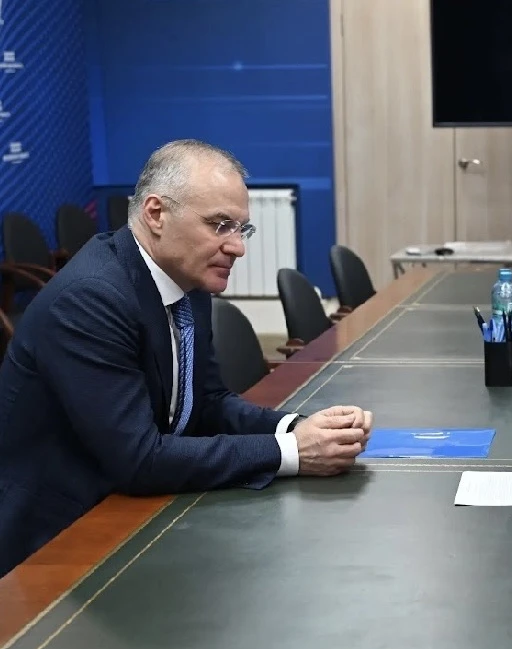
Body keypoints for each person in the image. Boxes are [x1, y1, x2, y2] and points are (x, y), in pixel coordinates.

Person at [0, 139, 371, 578]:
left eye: (242, 229)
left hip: (133, 511)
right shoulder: (90, 299)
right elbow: (139, 459)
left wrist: (298, 428)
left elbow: (207, 402)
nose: (238, 247)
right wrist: (292, 452)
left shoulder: (185, 279)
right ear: (156, 214)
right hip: (57, 544)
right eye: (220, 225)